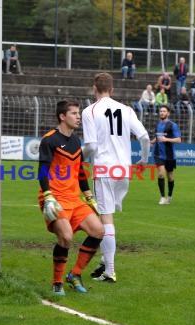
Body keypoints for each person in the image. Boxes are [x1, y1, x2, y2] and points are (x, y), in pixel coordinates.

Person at [82, 72, 150, 284]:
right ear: (112, 90)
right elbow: (145, 137)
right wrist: (144, 160)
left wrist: (76, 158)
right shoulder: (127, 109)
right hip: (123, 170)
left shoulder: (89, 111)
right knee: (107, 215)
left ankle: (109, 271)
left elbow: (92, 146)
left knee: (106, 219)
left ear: (95, 88)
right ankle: (105, 259)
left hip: (104, 169)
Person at [38, 99, 104, 295]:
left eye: (78, 113)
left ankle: (74, 275)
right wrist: (48, 195)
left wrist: (89, 196)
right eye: (74, 113)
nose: (78, 117)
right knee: (66, 237)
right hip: (54, 199)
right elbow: (42, 170)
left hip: (75, 199)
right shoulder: (49, 140)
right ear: (62, 116)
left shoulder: (76, 141)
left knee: (98, 231)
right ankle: (57, 282)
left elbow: (80, 171)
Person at [151, 105, 182, 205]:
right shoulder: (157, 124)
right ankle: (162, 197)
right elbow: (158, 137)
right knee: (161, 173)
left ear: (168, 113)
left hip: (169, 155)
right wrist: (152, 142)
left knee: (170, 176)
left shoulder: (172, 125)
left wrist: (166, 139)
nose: (162, 113)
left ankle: (169, 195)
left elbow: (179, 140)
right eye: (160, 111)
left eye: (164, 111)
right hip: (158, 154)